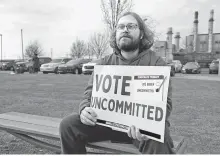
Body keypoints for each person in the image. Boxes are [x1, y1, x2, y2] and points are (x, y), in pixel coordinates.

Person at [59, 12, 174, 154]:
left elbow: (165, 105)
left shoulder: (156, 63)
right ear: (116, 34)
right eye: (121, 27)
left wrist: (148, 126)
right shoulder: (104, 63)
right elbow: (89, 94)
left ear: (142, 34)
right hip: (106, 124)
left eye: (131, 26)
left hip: (138, 129)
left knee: (159, 136)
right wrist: (84, 109)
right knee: (68, 125)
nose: (125, 29)